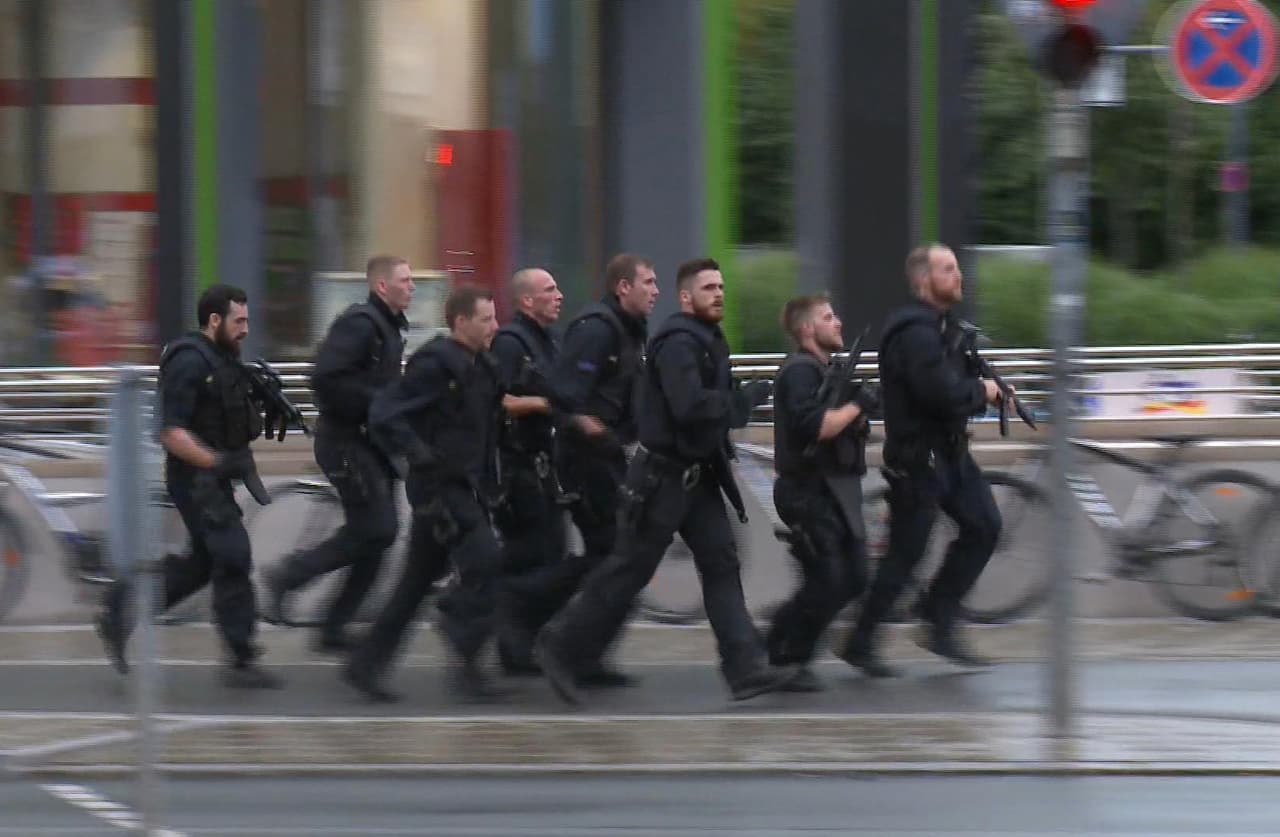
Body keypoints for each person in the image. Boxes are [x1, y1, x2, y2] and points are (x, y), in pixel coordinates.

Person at [537, 258, 797, 706]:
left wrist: (736, 403)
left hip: (697, 479)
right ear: (686, 297)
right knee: (627, 569)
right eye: (708, 287)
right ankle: (560, 645)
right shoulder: (678, 341)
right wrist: (737, 404)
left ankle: (745, 669)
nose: (718, 293)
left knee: (720, 563)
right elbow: (689, 406)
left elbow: (706, 408)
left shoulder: (708, 339)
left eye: (721, 286)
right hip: (665, 480)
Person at [342, 284, 545, 702]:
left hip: (467, 488)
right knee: (486, 559)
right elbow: (384, 414)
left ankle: (364, 666)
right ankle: (462, 639)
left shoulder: (482, 365)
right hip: (440, 489)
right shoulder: (435, 363)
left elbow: (492, 418)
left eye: (494, 317)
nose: (494, 326)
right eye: (486, 319)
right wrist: (419, 455)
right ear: (460, 322)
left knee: (415, 583)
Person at [96, 284, 285, 688]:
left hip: (212, 479)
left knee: (202, 564)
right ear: (214, 320)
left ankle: (120, 611)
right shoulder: (188, 361)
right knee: (233, 554)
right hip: (196, 480)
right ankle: (241, 659)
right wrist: (217, 461)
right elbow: (169, 431)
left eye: (248, 321)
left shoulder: (221, 357)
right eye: (239, 321)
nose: (246, 329)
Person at [838, 243, 1003, 677]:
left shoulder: (942, 329)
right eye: (947, 270)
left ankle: (938, 615)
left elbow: (953, 389)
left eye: (956, 269)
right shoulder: (913, 332)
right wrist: (980, 392)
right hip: (918, 459)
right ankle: (861, 640)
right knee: (905, 554)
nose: (958, 276)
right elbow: (941, 394)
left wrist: (975, 384)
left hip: (948, 453)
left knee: (984, 525)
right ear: (922, 281)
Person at [263, 256, 412, 651]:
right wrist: (378, 401)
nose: (412, 286)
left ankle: (333, 627)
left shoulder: (391, 328)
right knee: (377, 529)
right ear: (382, 286)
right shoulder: (361, 323)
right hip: (346, 442)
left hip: (375, 445)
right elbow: (325, 377)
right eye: (404, 279)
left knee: (377, 539)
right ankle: (289, 575)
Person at [768, 293, 878, 691]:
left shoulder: (829, 372)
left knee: (853, 578)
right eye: (829, 317)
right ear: (806, 329)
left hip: (837, 489)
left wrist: (860, 411)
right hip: (806, 491)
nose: (839, 323)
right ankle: (785, 655)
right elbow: (816, 427)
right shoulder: (799, 373)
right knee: (829, 579)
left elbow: (846, 426)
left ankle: (782, 641)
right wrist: (856, 407)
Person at [487, 268, 583, 676]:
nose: (559, 295)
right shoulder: (511, 342)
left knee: (547, 556)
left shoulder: (550, 341)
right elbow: (498, 400)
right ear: (526, 301)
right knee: (535, 557)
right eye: (549, 290)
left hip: (546, 464)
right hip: (517, 466)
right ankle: (480, 609)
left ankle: (517, 646)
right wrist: (544, 406)